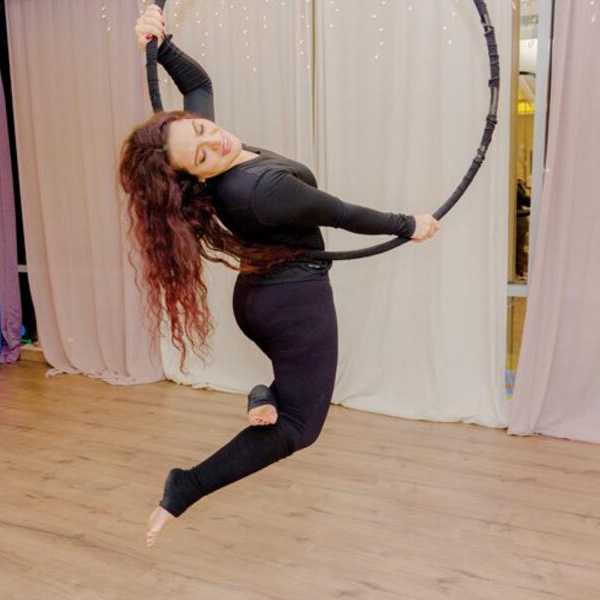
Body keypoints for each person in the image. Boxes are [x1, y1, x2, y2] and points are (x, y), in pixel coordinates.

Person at [122, 5, 441, 548]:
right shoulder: (259, 191)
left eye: (202, 128)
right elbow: (340, 213)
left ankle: (262, 391)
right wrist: (409, 225)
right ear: (193, 177)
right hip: (292, 303)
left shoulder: (208, 146)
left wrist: (163, 43)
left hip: (266, 297)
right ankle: (186, 486)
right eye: (201, 154)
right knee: (299, 427)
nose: (215, 141)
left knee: (287, 393)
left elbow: (198, 84)